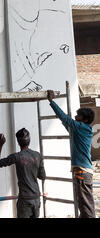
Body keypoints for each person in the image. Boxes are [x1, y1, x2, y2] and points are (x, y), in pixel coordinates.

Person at [47, 90, 96, 218]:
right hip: (83, 171)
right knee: (84, 204)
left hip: (82, 172)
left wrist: (52, 102)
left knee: (85, 206)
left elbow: (65, 119)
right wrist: (66, 120)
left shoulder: (81, 127)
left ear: (84, 119)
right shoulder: (82, 129)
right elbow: (67, 124)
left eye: (78, 116)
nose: (75, 117)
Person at [0, 128, 46, 218]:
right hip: (36, 198)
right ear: (29, 140)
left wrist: (0, 145)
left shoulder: (16, 157)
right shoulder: (37, 155)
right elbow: (42, 176)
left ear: (18, 143)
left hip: (25, 200)